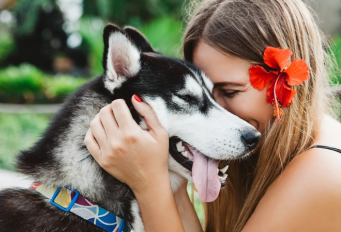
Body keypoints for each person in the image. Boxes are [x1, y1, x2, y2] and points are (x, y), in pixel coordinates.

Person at [84, 0, 341, 231]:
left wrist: (149, 184)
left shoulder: (323, 173)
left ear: (286, 82)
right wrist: (166, 167)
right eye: (203, 95)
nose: (217, 115)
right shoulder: (282, 151)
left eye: (229, 91)